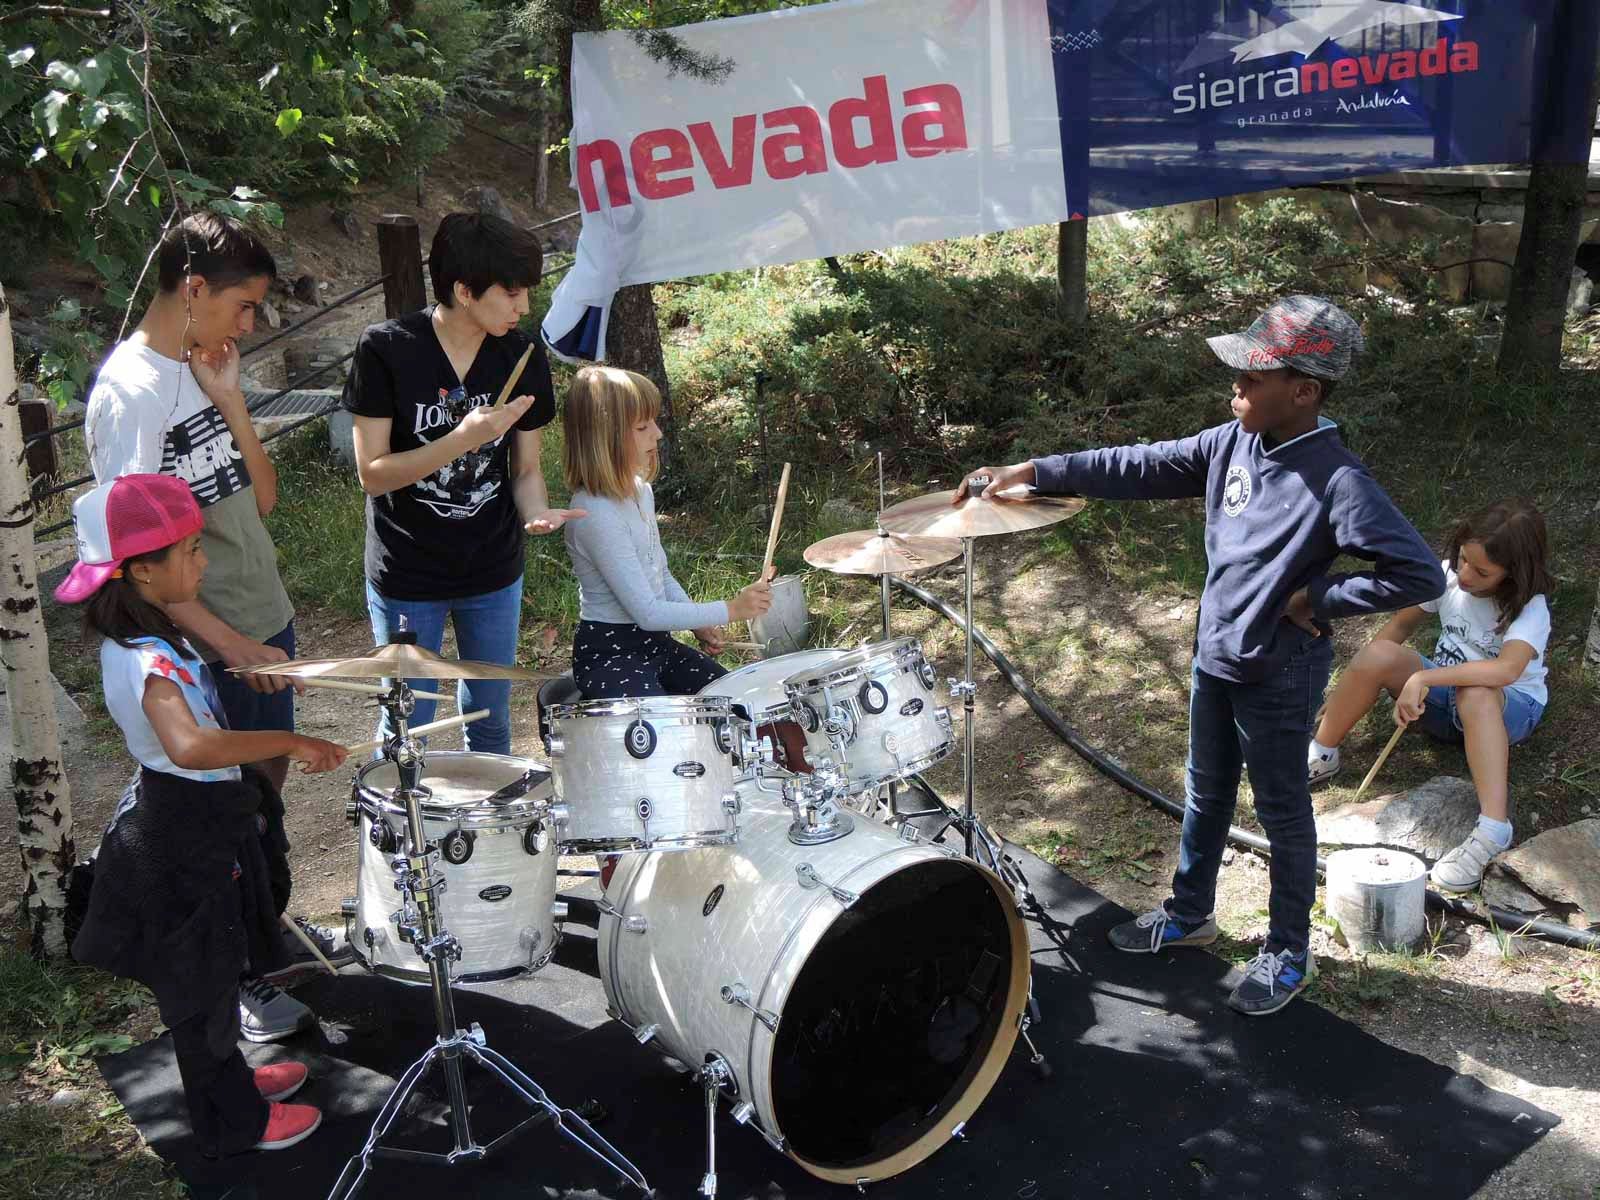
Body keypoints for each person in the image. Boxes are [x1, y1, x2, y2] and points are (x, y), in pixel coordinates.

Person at [956, 296, 1445, 1016]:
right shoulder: (1232, 443)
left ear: (1303, 391)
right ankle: (1190, 915)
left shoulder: (1338, 479)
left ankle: (1286, 950)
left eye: (1252, 380)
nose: (1236, 390)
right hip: (1216, 653)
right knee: (1205, 791)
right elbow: (1137, 465)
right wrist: (1033, 469)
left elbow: (1419, 575)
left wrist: (1315, 601)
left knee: (1281, 809)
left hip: (1279, 669)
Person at [83, 212, 337, 1040]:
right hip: (214, 642)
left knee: (260, 807)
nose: (250, 325)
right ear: (192, 288)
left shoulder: (202, 367)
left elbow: (259, 501)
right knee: (218, 818)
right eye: (244, 305)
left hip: (265, 617)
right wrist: (229, 647)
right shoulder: (129, 394)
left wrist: (231, 400)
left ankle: (261, 936)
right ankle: (235, 978)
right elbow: (138, 559)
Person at [58, 474, 348, 1156]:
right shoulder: (145, 658)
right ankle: (234, 1123)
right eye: (189, 551)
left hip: (198, 818)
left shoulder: (155, 639)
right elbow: (189, 746)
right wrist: (288, 741)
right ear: (140, 571)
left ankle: (234, 1085)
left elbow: (192, 718)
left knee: (218, 974)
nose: (203, 561)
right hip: (177, 832)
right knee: (200, 986)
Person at [344, 212, 582, 752]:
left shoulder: (519, 355)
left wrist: (535, 513)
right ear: (464, 290)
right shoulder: (386, 349)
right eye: (513, 291)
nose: (524, 307)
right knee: (409, 726)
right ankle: (402, 832)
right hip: (407, 570)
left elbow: (524, 469)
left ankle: (489, 834)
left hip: (493, 568)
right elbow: (373, 474)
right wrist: (462, 438)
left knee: (490, 717)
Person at [1309, 498, 1553, 892]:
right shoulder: (1449, 577)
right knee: (1379, 654)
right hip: (1445, 698)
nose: (1466, 573)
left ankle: (1493, 829)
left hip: (1507, 711)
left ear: (1513, 574)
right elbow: (1399, 627)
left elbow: (1505, 670)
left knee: (1476, 691)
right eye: (1462, 559)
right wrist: (1352, 687)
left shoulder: (1530, 608)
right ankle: (1322, 752)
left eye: (1482, 570)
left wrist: (1426, 679)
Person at [562, 365, 772, 699]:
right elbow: (647, 612)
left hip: (656, 643)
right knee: (664, 733)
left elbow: (660, 575)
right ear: (606, 437)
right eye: (643, 426)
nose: (658, 434)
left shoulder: (639, 490)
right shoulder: (594, 512)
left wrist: (696, 622)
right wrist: (731, 609)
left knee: (735, 702)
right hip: (610, 655)